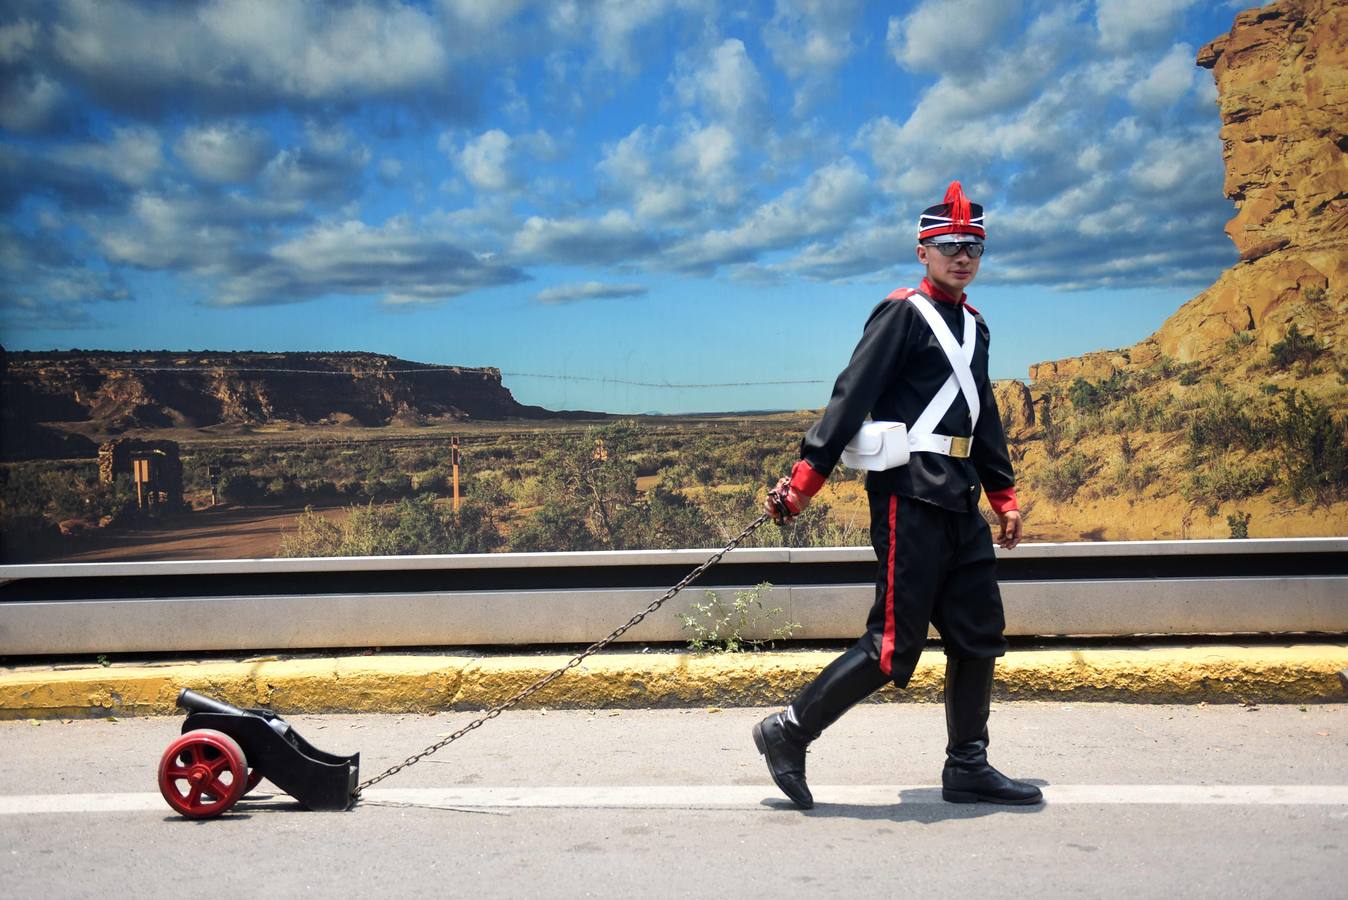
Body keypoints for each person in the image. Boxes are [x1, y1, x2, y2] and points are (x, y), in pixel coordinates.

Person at [754, 181, 1041, 809]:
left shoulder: (975, 327)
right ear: (923, 250)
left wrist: (1004, 496)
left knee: (978, 633)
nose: (961, 256)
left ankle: (968, 764)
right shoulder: (901, 314)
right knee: (891, 647)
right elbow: (849, 396)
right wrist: (805, 482)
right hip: (907, 497)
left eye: (973, 246)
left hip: (960, 500)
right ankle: (789, 730)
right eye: (948, 245)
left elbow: (981, 415)